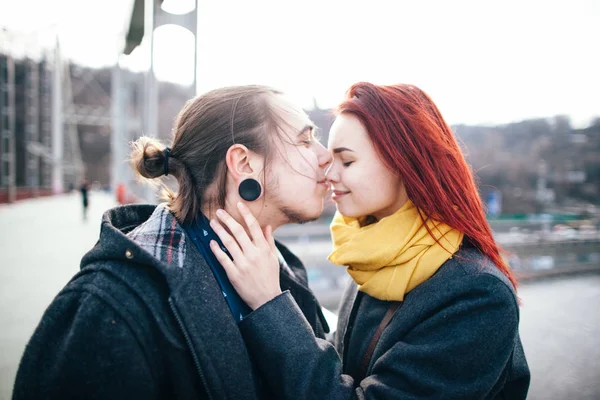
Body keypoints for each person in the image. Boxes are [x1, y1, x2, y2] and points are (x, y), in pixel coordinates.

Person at [209, 82, 531, 399]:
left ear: (404, 163)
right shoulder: (371, 254)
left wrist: (269, 303)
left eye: (346, 161)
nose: (329, 174)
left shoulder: (478, 295)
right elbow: (341, 364)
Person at [12, 85, 333, 399]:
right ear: (243, 163)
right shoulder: (112, 304)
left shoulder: (284, 272)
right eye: (305, 140)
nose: (325, 156)